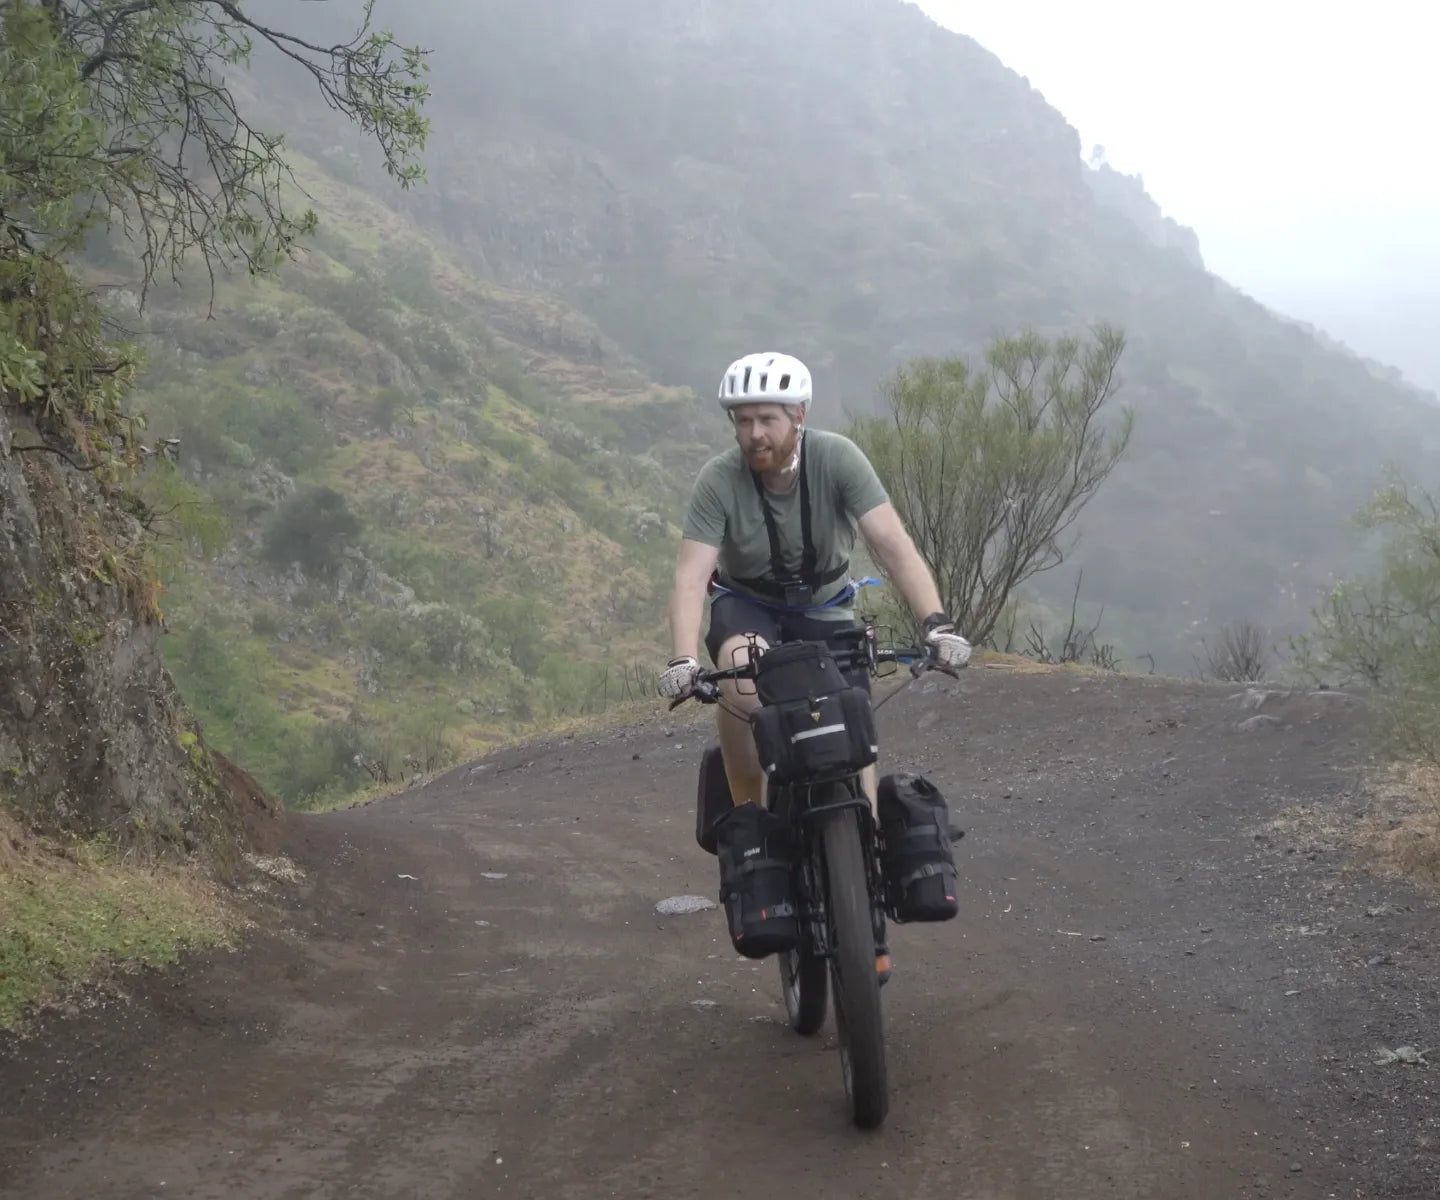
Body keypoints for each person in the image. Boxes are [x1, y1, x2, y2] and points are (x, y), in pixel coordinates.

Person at [659, 350, 972, 811]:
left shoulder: (837, 458)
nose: (754, 434)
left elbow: (893, 544)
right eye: (742, 421)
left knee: (849, 714)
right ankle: (753, 818)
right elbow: (691, 577)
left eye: (767, 418)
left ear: (799, 415)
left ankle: (865, 837)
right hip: (749, 605)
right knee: (744, 681)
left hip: (825, 605)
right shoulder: (718, 480)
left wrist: (937, 623)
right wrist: (683, 660)